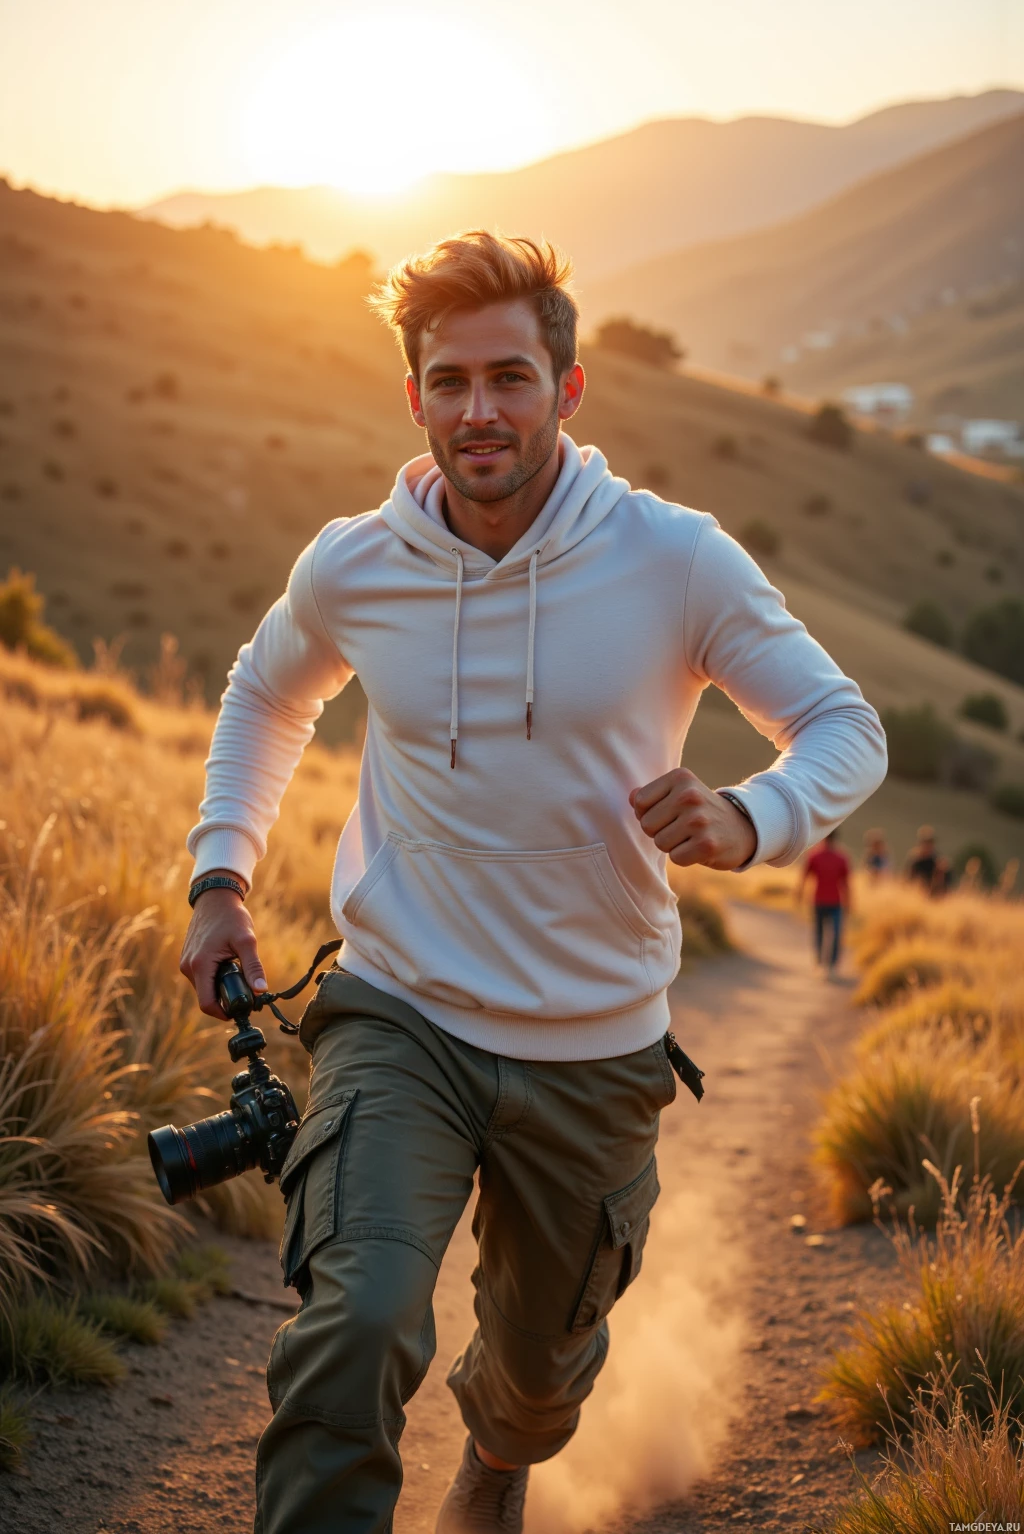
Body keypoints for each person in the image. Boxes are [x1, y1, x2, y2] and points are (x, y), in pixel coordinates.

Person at [178, 232, 887, 1534]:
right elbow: (266, 690)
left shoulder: (674, 559)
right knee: (360, 1322)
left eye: (510, 377)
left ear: (568, 388)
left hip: (595, 1047)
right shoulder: (357, 564)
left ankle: (497, 1463)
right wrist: (220, 873)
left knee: (535, 1384)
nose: (479, 411)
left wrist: (752, 815)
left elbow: (846, 725)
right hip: (402, 1014)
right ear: (415, 399)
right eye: (449, 382)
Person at [799, 828, 852, 973]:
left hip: (829, 902)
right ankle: (824, 963)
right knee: (825, 933)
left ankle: (828, 964)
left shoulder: (837, 857)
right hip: (824, 901)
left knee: (825, 933)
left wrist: (799, 894)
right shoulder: (818, 856)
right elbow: (805, 876)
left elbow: (846, 883)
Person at [906, 824, 941, 894]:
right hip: (917, 892)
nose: (928, 845)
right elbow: (908, 877)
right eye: (926, 842)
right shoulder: (915, 859)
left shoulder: (937, 859)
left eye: (930, 842)